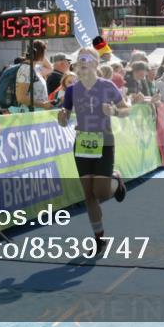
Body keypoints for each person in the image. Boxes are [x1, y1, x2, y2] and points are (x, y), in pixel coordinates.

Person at [56, 48, 128, 255]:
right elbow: (64, 119)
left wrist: (114, 111)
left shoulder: (107, 86)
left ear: (96, 63)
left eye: (86, 59)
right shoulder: (72, 90)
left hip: (104, 142)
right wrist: (62, 117)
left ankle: (116, 180)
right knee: (88, 194)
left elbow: (126, 109)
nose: (82, 62)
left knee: (101, 192)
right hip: (82, 143)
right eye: (80, 60)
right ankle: (99, 239)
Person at [16, 40, 52, 110]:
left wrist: (40, 52)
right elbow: (21, 98)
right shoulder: (26, 69)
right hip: (29, 114)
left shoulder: (36, 68)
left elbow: (50, 68)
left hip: (38, 113)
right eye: (44, 52)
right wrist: (43, 105)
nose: (45, 55)